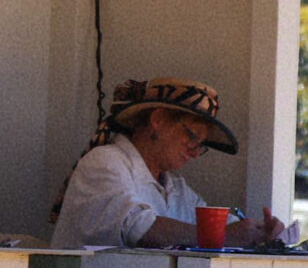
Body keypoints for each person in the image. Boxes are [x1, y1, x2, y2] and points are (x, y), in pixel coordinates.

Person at [50, 78, 283, 249]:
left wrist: (259, 233)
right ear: (158, 120)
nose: (194, 152)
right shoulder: (105, 163)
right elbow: (139, 228)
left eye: (200, 145)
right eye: (191, 136)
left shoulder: (177, 189)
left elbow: (214, 223)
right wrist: (223, 235)